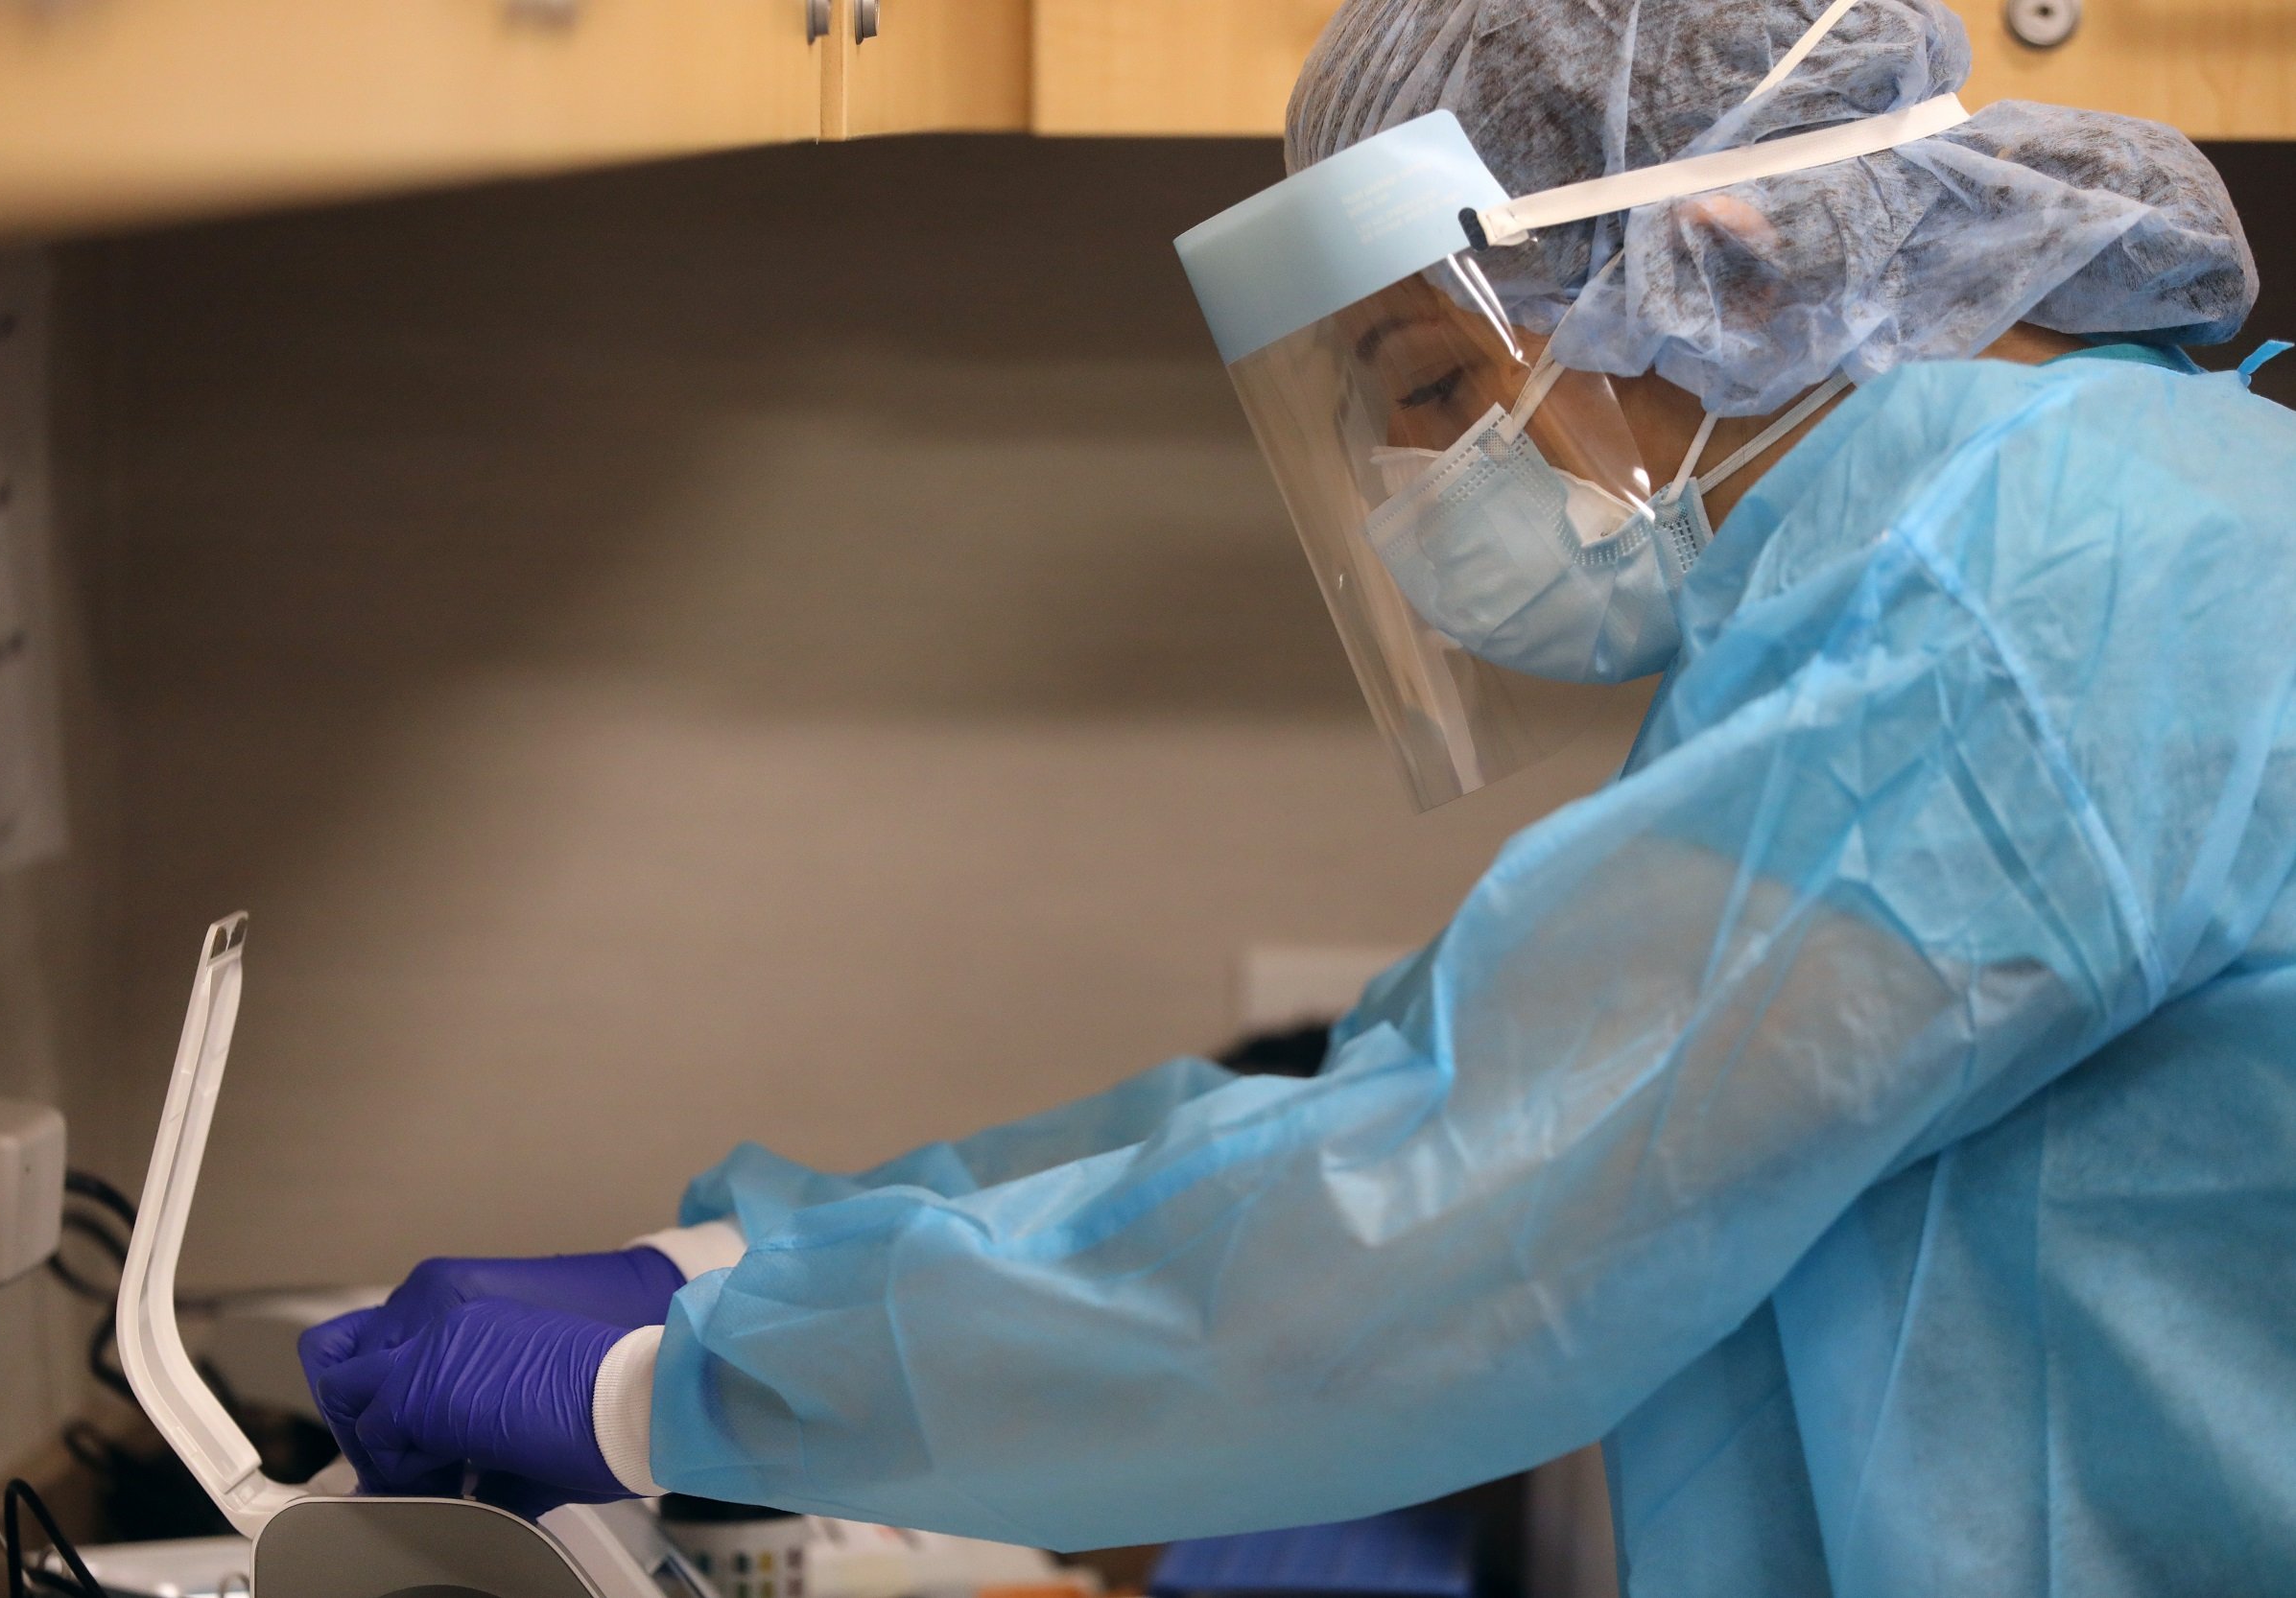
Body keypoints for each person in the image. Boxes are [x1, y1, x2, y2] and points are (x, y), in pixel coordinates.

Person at [300, 2, 2296, 1591]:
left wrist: (670, 1384)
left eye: (1432, 384)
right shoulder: (2025, 533)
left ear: (1726, 257)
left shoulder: (2028, 594)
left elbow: (1451, 1226)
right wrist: (732, 1262)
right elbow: (1442, 1072)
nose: (1421, 485)